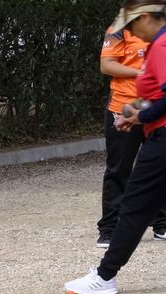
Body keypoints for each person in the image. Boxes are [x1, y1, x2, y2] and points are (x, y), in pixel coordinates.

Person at [67, 3, 166, 294]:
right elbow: (157, 94)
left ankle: (104, 277)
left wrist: (140, 115)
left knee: (136, 205)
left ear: (146, 18)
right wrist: (133, 111)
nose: (129, 33)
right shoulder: (156, 45)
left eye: (133, 26)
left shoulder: (161, 45)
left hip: (162, 136)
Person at [97, 6, 166, 248]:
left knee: (159, 167)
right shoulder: (119, 29)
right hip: (124, 107)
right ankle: (108, 228)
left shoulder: (160, 32)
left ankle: (161, 224)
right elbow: (107, 65)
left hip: (157, 110)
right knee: (118, 169)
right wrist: (144, 71)